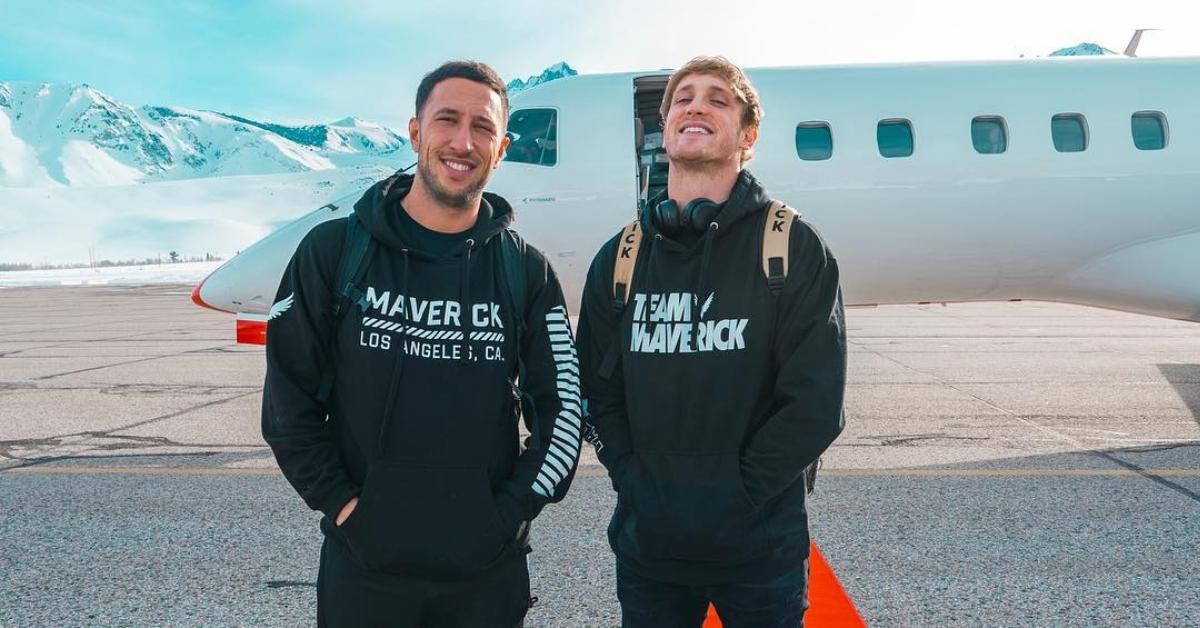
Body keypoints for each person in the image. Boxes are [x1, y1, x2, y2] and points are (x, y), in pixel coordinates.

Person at [262, 60, 582, 628]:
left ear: (501, 147)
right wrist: (344, 506)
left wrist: (507, 514)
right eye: (447, 120)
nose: (463, 142)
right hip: (363, 572)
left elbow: (563, 413)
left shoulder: (524, 271)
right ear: (415, 132)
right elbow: (288, 405)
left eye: (482, 127)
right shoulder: (334, 252)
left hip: (485, 574)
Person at [577, 56, 846, 627]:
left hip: (760, 551)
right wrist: (635, 480)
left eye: (718, 99)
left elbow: (817, 405)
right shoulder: (620, 258)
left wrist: (736, 493)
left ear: (747, 136)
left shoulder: (791, 246)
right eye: (682, 99)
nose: (695, 106)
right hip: (650, 551)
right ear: (666, 127)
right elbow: (596, 395)